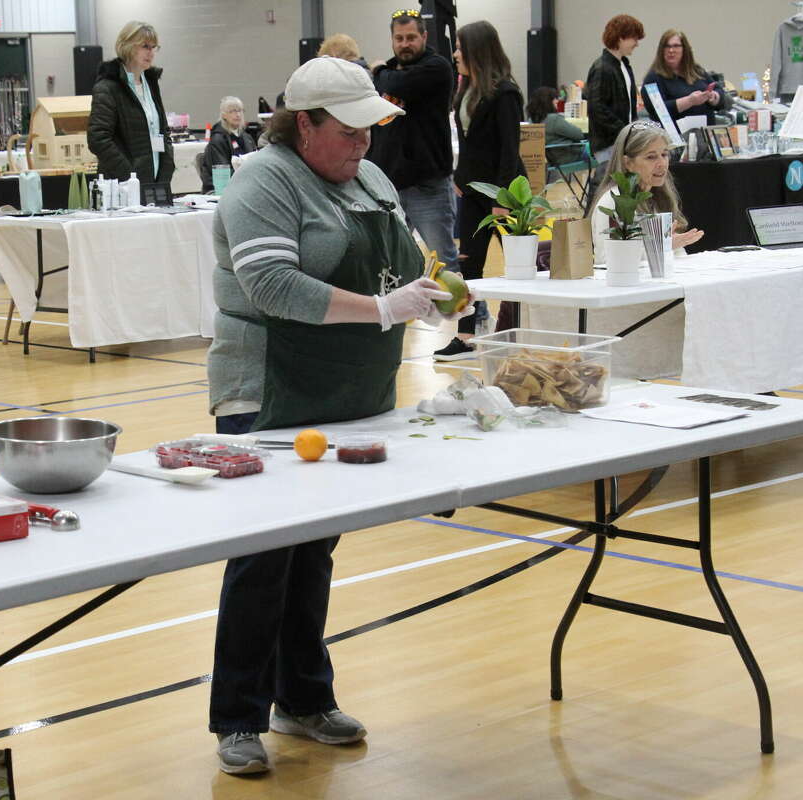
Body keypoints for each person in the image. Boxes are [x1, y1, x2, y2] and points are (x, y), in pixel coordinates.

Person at [205, 55, 471, 775]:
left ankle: (304, 699)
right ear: (304, 124)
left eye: (368, 131)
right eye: (348, 132)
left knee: (314, 549)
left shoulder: (372, 177)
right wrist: (381, 310)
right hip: (267, 386)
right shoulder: (262, 179)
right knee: (263, 554)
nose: (363, 145)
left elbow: (405, 258)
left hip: (347, 389)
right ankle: (237, 715)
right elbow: (271, 286)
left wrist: (439, 288)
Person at [435, 19, 525, 361]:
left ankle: (515, 330)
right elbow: (469, 143)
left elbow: (509, 148)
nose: (455, 53)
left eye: (459, 47)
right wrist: (460, 177)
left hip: (504, 193)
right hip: (471, 191)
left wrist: (503, 196)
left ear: (477, 50)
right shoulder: (466, 89)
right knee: (469, 264)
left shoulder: (505, 93)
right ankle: (466, 336)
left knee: (518, 268)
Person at [366, 7, 460, 326]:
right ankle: (392, 318)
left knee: (444, 260)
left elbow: (398, 84)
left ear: (424, 37)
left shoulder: (437, 68)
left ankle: (469, 327)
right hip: (388, 186)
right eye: (398, 38)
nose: (404, 44)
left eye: (410, 38)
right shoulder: (390, 73)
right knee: (386, 260)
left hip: (427, 186)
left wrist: (377, 71)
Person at [586, 120, 704, 265]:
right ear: (628, 163)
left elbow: (677, 254)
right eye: (651, 157)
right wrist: (663, 246)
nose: (662, 163)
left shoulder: (658, 197)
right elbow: (607, 260)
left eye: (664, 154)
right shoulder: (613, 201)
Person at [87, 20, 175, 187]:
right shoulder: (108, 87)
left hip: (155, 183)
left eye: (153, 47)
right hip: (122, 186)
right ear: (128, 46)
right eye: (145, 46)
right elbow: (98, 139)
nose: (151, 53)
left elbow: (163, 131)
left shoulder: (151, 83)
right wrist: (129, 174)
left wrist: (167, 167)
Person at [585, 14, 645, 204]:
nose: (637, 43)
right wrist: (625, 131)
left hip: (621, 141)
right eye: (634, 38)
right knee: (602, 193)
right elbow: (597, 108)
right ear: (621, 37)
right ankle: (588, 228)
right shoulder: (602, 67)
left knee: (618, 194)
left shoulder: (623, 66)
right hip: (608, 143)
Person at [641, 30, 731, 126]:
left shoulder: (696, 70)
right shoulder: (653, 77)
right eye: (667, 46)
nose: (671, 50)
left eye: (676, 46)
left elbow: (720, 92)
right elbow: (658, 110)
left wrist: (714, 96)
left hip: (705, 134)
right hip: (674, 137)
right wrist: (690, 101)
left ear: (684, 49)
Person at [201, 96, 256, 193]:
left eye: (240, 111)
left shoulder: (247, 138)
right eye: (232, 111)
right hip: (221, 188)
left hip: (247, 184)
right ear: (224, 115)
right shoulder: (217, 140)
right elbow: (222, 171)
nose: (238, 114)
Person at [528, 85, 586, 165]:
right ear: (548, 101)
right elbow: (579, 134)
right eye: (554, 98)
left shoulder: (531, 121)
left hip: (549, 160)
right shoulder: (554, 119)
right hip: (567, 157)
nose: (557, 101)